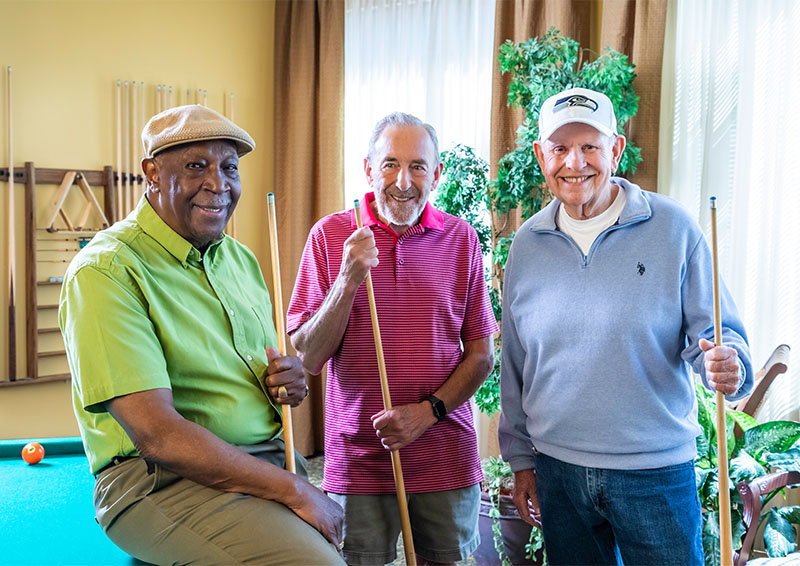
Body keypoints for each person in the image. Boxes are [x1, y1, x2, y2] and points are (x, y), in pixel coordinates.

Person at [59, 105, 345, 566]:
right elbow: (158, 436)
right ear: (152, 172)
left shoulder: (241, 259)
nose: (218, 183)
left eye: (229, 167)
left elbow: (257, 378)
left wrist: (286, 382)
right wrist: (295, 488)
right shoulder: (106, 270)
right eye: (196, 166)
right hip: (160, 480)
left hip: (264, 463)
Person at [497, 87, 754, 566]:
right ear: (540, 156)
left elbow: (718, 337)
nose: (575, 162)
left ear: (615, 149)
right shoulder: (526, 245)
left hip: (654, 474)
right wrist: (520, 460)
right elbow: (515, 363)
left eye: (590, 146)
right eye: (559, 148)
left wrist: (728, 362)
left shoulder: (674, 228)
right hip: (558, 472)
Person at [287, 112, 498, 566]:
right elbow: (308, 355)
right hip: (357, 458)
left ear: (437, 174)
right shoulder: (330, 236)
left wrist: (428, 413)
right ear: (368, 168)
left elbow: (482, 355)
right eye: (390, 164)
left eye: (418, 166)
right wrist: (348, 277)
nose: (403, 181)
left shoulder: (462, 239)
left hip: (445, 452)